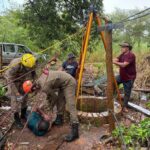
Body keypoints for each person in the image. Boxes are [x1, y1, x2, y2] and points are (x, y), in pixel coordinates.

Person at [30, 70, 79, 142]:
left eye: (34, 92)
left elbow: (54, 97)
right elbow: (51, 96)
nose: (35, 93)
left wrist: (49, 109)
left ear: (34, 87)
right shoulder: (38, 81)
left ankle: (75, 132)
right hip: (62, 83)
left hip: (69, 82)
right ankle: (59, 119)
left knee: (70, 105)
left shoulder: (44, 85)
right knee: (60, 101)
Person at [4, 53, 37, 128]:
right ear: (23, 63)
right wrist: (17, 93)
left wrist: (34, 83)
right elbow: (9, 79)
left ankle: (23, 114)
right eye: (27, 68)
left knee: (25, 97)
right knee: (14, 100)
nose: (29, 69)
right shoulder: (15, 64)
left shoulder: (31, 62)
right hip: (13, 81)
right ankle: (16, 119)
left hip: (23, 80)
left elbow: (34, 73)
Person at [113, 42, 136, 112]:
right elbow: (116, 59)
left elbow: (124, 65)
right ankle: (113, 98)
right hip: (122, 76)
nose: (121, 48)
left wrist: (114, 62)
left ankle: (124, 107)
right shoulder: (122, 54)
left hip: (129, 77)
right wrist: (114, 60)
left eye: (123, 47)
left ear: (127, 48)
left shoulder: (131, 55)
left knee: (127, 93)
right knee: (113, 82)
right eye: (121, 47)